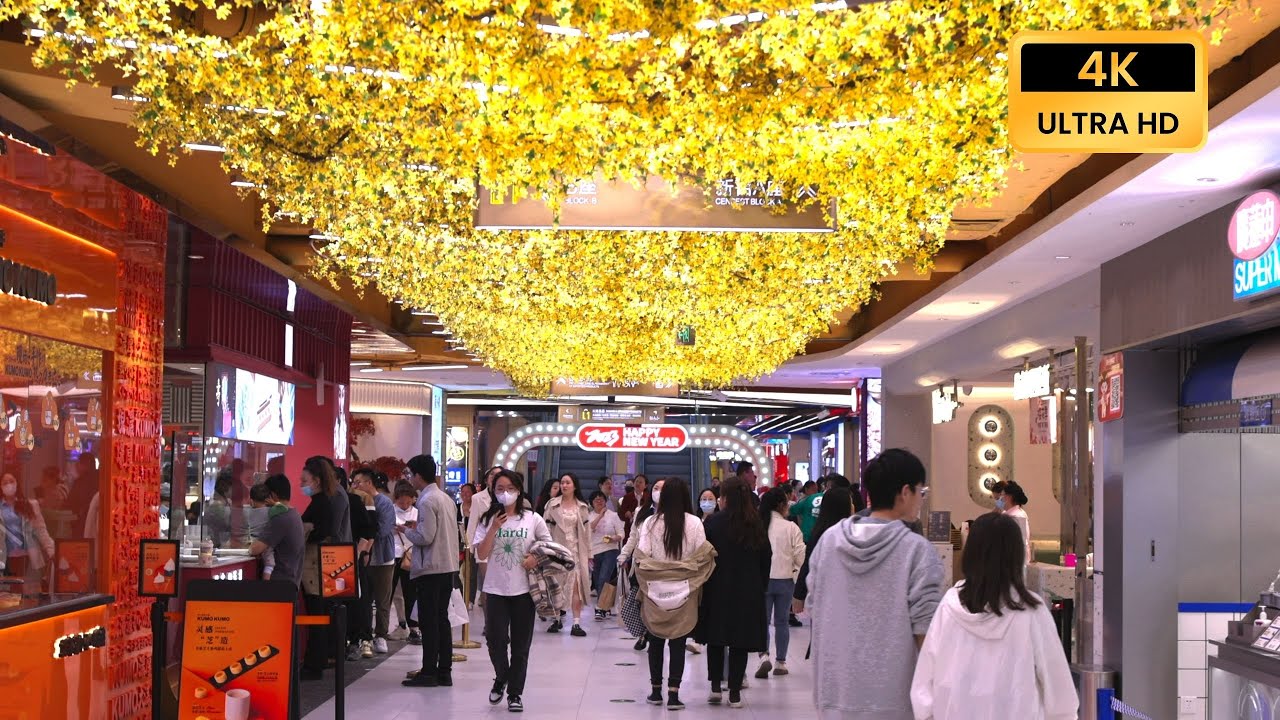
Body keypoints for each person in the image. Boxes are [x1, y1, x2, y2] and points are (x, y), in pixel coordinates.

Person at [808, 448, 944, 720]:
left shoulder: (830, 541)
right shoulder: (916, 550)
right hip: (894, 700)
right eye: (921, 492)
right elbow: (925, 631)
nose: (921, 499)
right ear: (905, 492)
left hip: (835, 694)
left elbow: (814, 605)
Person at [910, 512, 1077, 720]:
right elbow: (1059, 691)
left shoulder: (949, 607)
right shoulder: (1031, 612)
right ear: (1015, 557)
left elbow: (924, 683)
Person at [630, 478, 713, 711]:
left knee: (655, 639)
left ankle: (656, 691)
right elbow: (702, 554)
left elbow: (643, 554)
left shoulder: (650, 523)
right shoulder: (695, 522)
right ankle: (674, 695)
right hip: (684, 588)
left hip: (655, 589)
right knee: (678, 640)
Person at [473, 469, 552, 713]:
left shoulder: (532, 518)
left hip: (524, 590)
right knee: (495, 639)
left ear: (518, 490)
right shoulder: (488, 519)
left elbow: (548, 546)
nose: (505, 493)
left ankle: (515, 693)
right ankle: (501, 676)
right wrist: (494, 529)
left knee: (520, 645)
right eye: (499, 489)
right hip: (495, 588)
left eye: (509, 488)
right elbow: (482, 553)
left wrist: (534, 558)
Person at [696, 478, 769, 709]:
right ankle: (735, 692)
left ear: (725, 498)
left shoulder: (713, 523)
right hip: (747, 590)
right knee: (740, 641)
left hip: (716, 588)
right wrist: (760, 584)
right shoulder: (755, 523)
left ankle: (716, 687)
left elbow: (702, 556)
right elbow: (766, 557)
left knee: (716, 639)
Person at [401, 455, 461, 688]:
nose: (409, 479)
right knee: (441, 619)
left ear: (418, 475)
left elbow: (425, 537)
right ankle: (444, 671)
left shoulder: (426, 501)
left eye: (410, 474)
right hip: (447, 566)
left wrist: (406, 531)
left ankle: (428, 672)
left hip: (430, 568)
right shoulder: (444, 498)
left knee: (428, 621)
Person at [298, 457, 345, 680]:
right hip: (319, 563)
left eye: (304, 480)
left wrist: (306, 530)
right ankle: (317, 660)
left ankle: (314, 664)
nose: (301, 484)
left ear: (316, 480)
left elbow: (319, 530)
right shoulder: (326, 499)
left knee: (316, 614)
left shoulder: (321, 503)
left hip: (314, 566)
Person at [756, 487, 805, 679]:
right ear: (781, 505)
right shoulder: (791, 527)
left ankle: (763, 656)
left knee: (763, 622)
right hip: (785, 580)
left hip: (762, 581)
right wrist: (796, 573)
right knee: (782, 621)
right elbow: (801, 555)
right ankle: (781, 662)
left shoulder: (758, 526)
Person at [541, 473, 593, 636]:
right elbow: (545, 528)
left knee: (576, 587)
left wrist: (590, 553)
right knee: (556, 586)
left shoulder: (582, 507)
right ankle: (556, 619)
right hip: (556, 550)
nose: (564, 486)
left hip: (576, 552)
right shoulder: (552, 505)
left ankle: (576, 623)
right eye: (562, 483)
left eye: (567, 483)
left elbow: (587, 533)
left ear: (574, 486)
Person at [353, 468, 398, 654]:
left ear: (369, 483)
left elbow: (383, 529)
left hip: (382, 558)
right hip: (362, 559)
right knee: (364, 599)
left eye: (359, 482)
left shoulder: (384, 503)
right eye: (354, 482)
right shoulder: (358, 502)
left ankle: (381, 635)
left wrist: (366, 536)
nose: (355, 486)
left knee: (382, 599)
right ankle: (365, 637)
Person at [618, 477, 665, 652]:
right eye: (657, 488)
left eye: (663, 488)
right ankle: (643, 632)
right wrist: (623, 556)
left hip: (661, 568)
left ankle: (653, 633)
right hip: (640, 566)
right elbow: (633, 537)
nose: (659, 491)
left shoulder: (676, 514)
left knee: (656, 603)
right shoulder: (641, 511)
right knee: (639, 601)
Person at [793, 487, 854, 615]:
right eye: (850, 502)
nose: (853, 506)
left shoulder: (819, 532)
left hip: (825, 597)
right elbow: (808, 564)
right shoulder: (846, 534)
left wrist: (799, 594)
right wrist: (799, 594)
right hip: (838, 596)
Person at [249, 474, 305, 589]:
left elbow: (255, 549)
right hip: (290, 581)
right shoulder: (294, 513)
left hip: (279, 584)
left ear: (272, 495)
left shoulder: (281, 518)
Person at [0, 472, 55, 587]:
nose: (9, 485)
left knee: (28, 594)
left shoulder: (30, 505)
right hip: (5, 558)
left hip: (28, 558)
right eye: (5, 483)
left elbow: (41, 530)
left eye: (11, 481)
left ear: (17, 483)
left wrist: (51, 551)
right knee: (7, 596)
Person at [391, 481, 420, 644]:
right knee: (392, 592)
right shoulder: (391, 511)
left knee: (411, 593)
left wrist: (408, 528)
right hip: (394, 554)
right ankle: (392, 626)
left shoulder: (417, 513)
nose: (404, 505)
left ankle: (413, 628)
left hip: (410, 555)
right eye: (401, 501)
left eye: (408, 501)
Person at [587, 490, 624, 621]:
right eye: (596, 500)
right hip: (594, 551)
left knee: (604, 576)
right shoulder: (589, 516)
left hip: (610, 549)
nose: (599, 501)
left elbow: (621, 533)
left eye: (601, 499)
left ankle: (600, 607)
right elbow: (588, 530)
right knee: (597, 580)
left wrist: (614, 538)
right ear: (592, 502)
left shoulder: (613, 515)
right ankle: (606, 606)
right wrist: (600, 516)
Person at [993, 480, 1033, 565]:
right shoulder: (1005, 514)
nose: (1000, 499)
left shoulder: (1018, 516)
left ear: (1009, 497)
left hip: (1015, 563)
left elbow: (1019, 544)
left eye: (1002, 495)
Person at [247, 483, 277, 579]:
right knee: (269, 563)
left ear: (251, 500)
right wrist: (275, 504)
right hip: (264, 542)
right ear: (268, 499)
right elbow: (285, 510)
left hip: (252, 541)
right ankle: (266, 581)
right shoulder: (271, 511)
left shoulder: (248, 512)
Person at [618, 474, 648, 541]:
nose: (638, 484)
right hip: (629, 527)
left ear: (645, 486)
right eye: (636, 481)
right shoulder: (627, 497)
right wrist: (626, 513)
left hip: (644, 527)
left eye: (640, 482)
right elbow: (621, 514)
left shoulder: (648, 497)